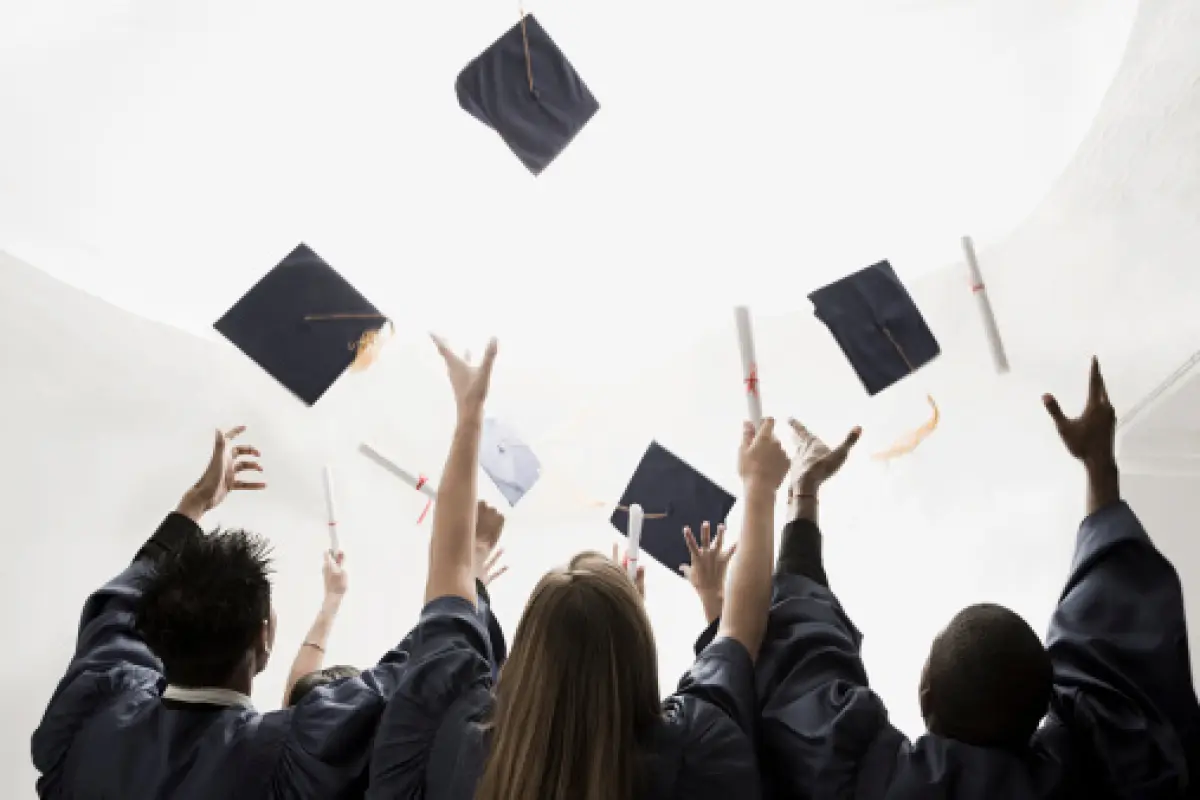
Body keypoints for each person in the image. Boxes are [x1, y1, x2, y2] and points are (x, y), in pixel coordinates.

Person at [731, 357, 1199, 798]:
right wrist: (1100, 464)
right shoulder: (1128, 764)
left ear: (924, 694)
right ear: (1047, 699)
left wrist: (803, 492)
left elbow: (802, 656)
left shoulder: (871, 786)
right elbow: (1114, 629)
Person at [366, 337, 791, 800]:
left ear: (527, 651)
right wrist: (762, 488)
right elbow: (739, 636)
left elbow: (448, 573)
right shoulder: (695, 753)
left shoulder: (446, 742)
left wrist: (469, 414)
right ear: (635, 650)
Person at [29, 425, 506, 799]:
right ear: (264, 639)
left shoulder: (94, 717)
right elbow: (425, 677)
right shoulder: (293, 753)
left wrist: (192, 505)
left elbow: (117, 612)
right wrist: (472, 568)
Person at [283, 545, 508, 707]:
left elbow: (296, 693)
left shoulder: (281, 753)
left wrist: (333, 597)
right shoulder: (389, 757)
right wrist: (469, 590)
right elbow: (435, 652)